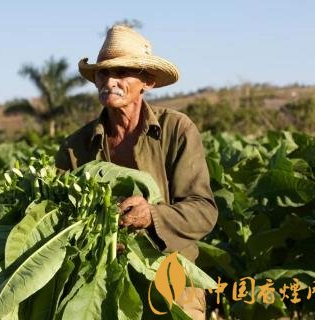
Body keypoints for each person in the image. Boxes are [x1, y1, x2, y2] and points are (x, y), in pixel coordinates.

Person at [55, 25, 218, 319]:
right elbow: (57, 214)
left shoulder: (175, 130)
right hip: (100, 286)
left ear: (148, 81)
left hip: (169, 277)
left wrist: (152, 217)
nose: (110, 81)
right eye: (103, 73)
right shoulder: (75, 146)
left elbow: (203, 210)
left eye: (122, 72)